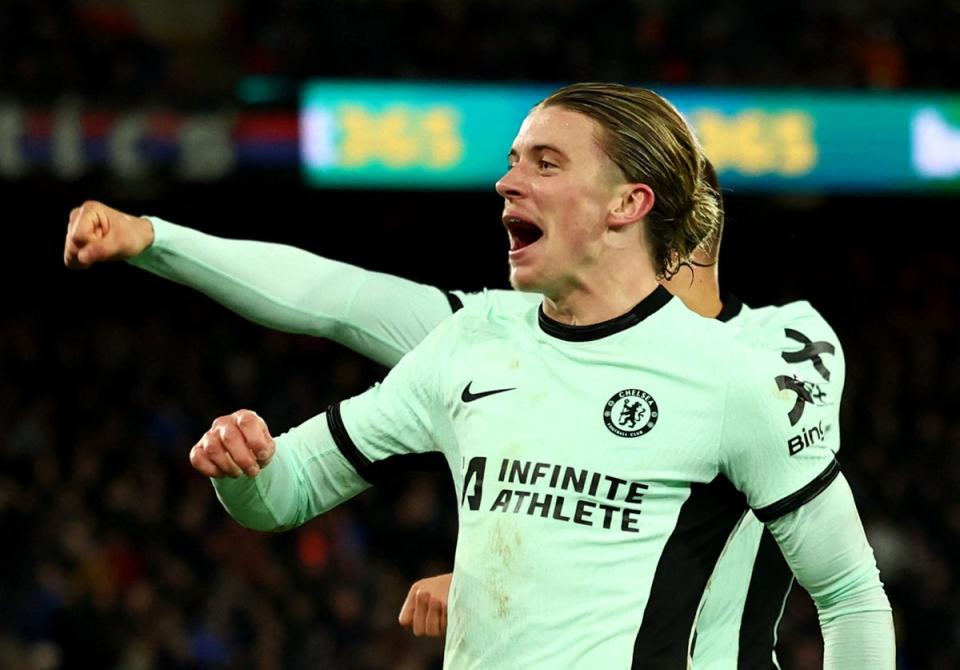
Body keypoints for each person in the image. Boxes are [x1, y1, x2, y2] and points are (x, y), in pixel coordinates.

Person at [65, 83, 894, 667]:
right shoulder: (480, 337)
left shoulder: (768, 359)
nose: (506, 181)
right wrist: (156, 241)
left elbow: (847, 589)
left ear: (635, 209)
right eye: (513, 159)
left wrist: (521, 575)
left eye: (545, 163)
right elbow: (337, 308)